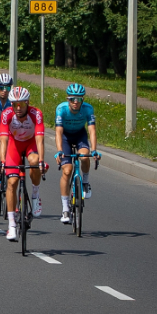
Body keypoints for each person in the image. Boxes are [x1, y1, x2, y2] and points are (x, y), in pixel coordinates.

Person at [0, 86, 45, 241]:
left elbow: (39, 139)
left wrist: (42, 161)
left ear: (27, 103)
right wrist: (3, 161)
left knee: (34, 161)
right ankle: (11, 225)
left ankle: (36, 195)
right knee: (12, 182)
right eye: (15, 104)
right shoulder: (7, 114)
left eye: (22, 104)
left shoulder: (36, 114)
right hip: (14, 145)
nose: (18, 108)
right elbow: (3, 140)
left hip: (31, 143)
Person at [55, 83, 98, 222]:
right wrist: (59, 151)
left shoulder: (88, 109)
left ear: (82, 100)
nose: (75, 102)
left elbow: (91, 130)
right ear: (68, 99)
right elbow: (58, 132)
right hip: (66, 137)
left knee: (85, 157)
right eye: (72, 99)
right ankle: (65, 209)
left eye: (78, 99)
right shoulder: (61, 109)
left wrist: (94, 149)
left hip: (80, 135)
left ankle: (85, 182)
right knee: (67, 170)